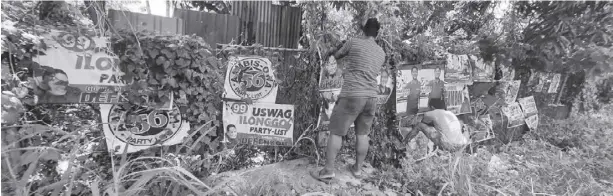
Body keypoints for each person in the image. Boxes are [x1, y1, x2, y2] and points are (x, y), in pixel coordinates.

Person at [311, 18, 386, 181]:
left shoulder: (354, 42)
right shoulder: (382, 53)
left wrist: (335, 50)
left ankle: (328, 171)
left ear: (364, 30)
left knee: (336, 132)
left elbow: (335, 56)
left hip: (353, 94)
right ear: (377, 34)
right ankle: (357, 169)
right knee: (363, 133)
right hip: (371, 97)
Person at [403, 100, 469, 152]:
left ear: (432, 107)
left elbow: (422, 121)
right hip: (462, 144)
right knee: (437, 131)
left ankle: (404, 143)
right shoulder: (450, 113)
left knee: (419, 125)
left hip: (448, 144)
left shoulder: (434, 112)